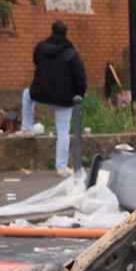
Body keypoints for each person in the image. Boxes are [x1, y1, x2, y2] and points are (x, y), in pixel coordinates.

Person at [29, 21, 88, 176]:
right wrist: (79, 95)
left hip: (41, 93)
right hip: (64, 98)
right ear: (65, 33)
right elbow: (80, 78)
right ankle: (61, 167)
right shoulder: (71, 53)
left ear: (52, 31)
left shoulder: (40, 48)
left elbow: (36, 62)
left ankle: (26, 127)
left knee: (25, 94)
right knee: (63, 131)